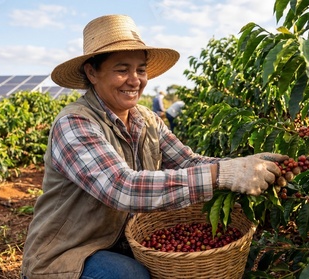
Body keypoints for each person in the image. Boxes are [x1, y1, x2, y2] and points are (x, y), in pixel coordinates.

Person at [20, 14, 288, 279]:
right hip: (68, 254)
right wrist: (223, 175)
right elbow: (121, 186)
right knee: (129, 276)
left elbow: (188, 162)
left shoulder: (146, 119)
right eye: (122, 70)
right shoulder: (75, 123)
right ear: (92, 72)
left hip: (125, 242)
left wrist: (247, 164)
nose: (135, 80)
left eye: (141, 69)